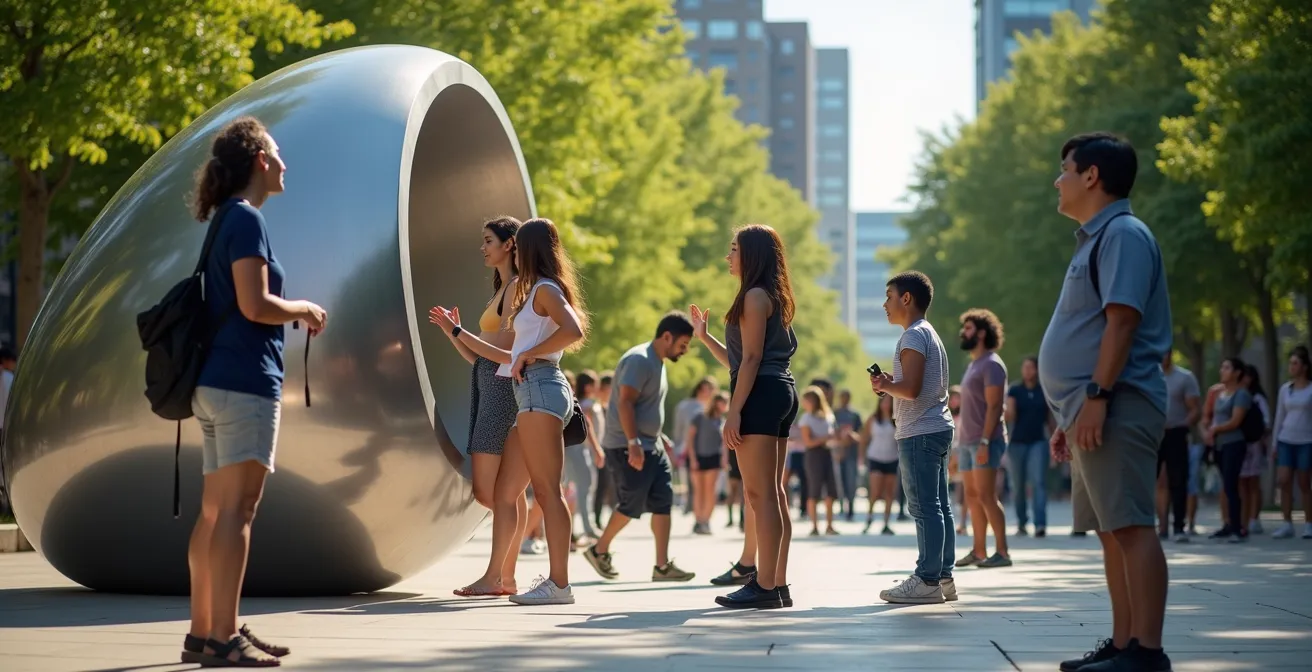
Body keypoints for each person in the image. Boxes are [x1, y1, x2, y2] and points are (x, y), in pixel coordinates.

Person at [184, 117, 327, 667]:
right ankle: (222, 638)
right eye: (278, 154)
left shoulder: (225, 220)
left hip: (215, 381)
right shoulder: (247, 221)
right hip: (245, 382)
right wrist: (304, 309)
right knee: (238, 512)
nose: (286, 164)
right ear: (260, 162)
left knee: (214, 512)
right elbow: (255, 304)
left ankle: (202, 632)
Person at [1042, 132, 1173, 672]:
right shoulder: (1097, 239)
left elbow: (1122, 323)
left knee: (1133, 526)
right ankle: (1122, 645)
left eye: (1065, 169)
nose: (1058, 179)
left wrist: (1095, 395)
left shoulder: (1123, 234)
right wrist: (1068, 413)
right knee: (1110, 530)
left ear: (1091, 175)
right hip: (1089, 412)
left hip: (1116, 405)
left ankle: (1147, 651)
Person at [431, 217, 588, 605]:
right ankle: (502, 577)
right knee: (506, 493)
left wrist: (527, 355)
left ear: (523, 247)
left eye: (513, 245)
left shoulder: (543, 288)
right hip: (529, 393)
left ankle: (559, 585)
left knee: (548, 491)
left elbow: (573, 332)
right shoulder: (535, 290)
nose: (508, 250)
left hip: (540, 387)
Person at [690, 223, 799, 609]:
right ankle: (777, 584)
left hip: (761, 394)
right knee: (773, 494)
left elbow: (751, 360)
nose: (728, 256)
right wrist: (705, 339)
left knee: (760, 495)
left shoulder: (754, 296)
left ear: (751, 255)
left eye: (734, 249)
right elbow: (740, 360)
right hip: (778, 391)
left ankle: (765, 586)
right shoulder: (768, 295)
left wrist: (733, 412)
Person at [433, 216, 529, 598]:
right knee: (508, 494)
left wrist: (460, 332)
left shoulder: (518, 287)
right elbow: (483, 359)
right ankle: (504, 577)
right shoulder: (502, 287)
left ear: (509, 245)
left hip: (502, 393)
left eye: (489, 240)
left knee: (489, 493)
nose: (483, 247)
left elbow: (505, 354)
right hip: (488, 385)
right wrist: (453, 334)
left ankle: (498, 575)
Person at [582, 313, 697, 583]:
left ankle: (662, 566)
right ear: (666, 336)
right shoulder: (640, 360)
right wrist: (633, 442)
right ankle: (599, 550)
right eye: (683, 343)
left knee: (663, 502)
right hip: (627, 445)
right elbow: (625, 403)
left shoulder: (659, 361)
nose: (685, 349)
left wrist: (659, 436)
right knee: (631, 504)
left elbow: (647, 406)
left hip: (651, 444)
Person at [871, 271, 957, 605]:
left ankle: (927, 579)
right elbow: (916, 384)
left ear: (906, 298)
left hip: (920, 430)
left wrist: (885, 386)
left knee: (924, 507)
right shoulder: (927, 334)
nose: (885, 304)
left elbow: (911, 389)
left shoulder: (912, 336)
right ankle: (943, 576)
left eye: (889, 296)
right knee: (940, 506)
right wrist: (893, 382)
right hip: (936, 425)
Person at [954, 309, 1012, 569]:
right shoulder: (974, 364)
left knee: (987, 496)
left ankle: (1002, 552)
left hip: (985, 441)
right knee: (972, 496)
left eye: (967, 329)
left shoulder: (992, 364)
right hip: (967, 441)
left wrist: (986, 442)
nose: (962, 333)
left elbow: (994, 407)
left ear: (981, 332)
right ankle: (979, 550)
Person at [1206, 358, 1253, 543]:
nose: (1222, 370)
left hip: (1234, 444)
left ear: (1237, 373)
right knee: (1225, 485)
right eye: (1222, 366)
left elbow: (1235, 421)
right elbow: (1212, 417)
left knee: (1232, 486)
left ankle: (1237, 528)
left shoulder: (1241, 395)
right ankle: (1227, 524)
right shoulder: (1219, 394)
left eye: (1227, 367)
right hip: (1220, 445)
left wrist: (1216, 429)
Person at [1157, 350, 1200, 543]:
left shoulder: (1185, 377)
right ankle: (1161, 525)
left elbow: (1195, 409)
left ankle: (1179, 527)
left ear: (1170, 354)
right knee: (1155, 479)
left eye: (1165, 353)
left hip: (1176, 433)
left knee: (1178, 480)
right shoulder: (1149, 375)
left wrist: (1183, 423)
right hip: (1153, 433)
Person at [1007, 356, 1052, 538]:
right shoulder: (1015, 390)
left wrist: (1058, 439)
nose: (1027, 371)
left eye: (1031, 368)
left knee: (1038, 482)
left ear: (1037, 370)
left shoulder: (1044, 391)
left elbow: (1050, 419)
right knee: (1018, 485)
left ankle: (1040, 523)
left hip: (1038, 442)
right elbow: (1010, 414)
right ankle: (1021, 522)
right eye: (1025, 367)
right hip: (1017, 443)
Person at [1272, 345, 1312, 539]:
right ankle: (1286, 523)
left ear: (1304, 367)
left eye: (1295, 363)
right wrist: (1274, 444)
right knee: (1284, 481)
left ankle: (1309, 523)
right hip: (1285, 440)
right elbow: (1279, 417)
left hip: (1306, 440)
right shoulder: (1285, 390)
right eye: (1290, 363)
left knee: (1304, 483)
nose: (1292, 367)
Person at [566, 370, 606, 545]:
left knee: (573, 488)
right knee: (585, 487)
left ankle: (574, 530)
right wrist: (597, 450)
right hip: (580, 449)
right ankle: (587, 528)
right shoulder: (587, 405)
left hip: (576, 450)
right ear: (589, 386)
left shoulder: (575, 403)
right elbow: (588, 427)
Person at [674, 378, 719, 518]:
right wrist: (677, 450)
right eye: (704, 388)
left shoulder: (717, 407)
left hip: (711, 452)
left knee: (709, 488)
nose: (707, 392)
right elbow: (679, 430)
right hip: (689, 450)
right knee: (694, 486)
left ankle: (704, 518)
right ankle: (696, 515)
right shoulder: (685, 407)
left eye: (710, 389)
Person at [799, 385, 839, 536]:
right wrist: (824, 439)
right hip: (813, 455)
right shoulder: (806, 418)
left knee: (831, 491)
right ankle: (814, 526)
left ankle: (829, 525)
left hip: (828, 453)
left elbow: (833, 436)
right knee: (814, 490)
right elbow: (808, 441)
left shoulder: (829, 416)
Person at [688, 392, 730, 534]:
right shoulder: (699, 417)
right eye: (722, 402)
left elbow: (724, 444)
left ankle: (706, 521)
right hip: (698, 457)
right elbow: (690, 439)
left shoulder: (722, 421)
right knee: (698, 490)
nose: (724, 405)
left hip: (714, 458)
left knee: (710, 490)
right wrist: (692, 458)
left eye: (726, 403)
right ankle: (698, 520)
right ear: (715, 402)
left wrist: (724, 460)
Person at [861, 394, 899, 535]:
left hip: (892, 458)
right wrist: (861, 458)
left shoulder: (896, 420)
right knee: (875, 492)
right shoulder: (873, 419)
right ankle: (869, 518)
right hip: (875, 458)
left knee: (889, 493)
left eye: (889, 401)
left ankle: (886, 523)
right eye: (884, 401)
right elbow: (864, 438)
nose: (886, 404)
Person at [1238, 364, 1270, 536]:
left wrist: (1261, 438)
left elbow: (1266, 422)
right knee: (1242, 482)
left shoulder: (1258, 398)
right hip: (1241, 444)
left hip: (1255, 444)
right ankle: (1243, 519)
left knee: (1254, 482)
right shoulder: (1238, 396)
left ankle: (1254, 519)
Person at [833, 390, 864, 521]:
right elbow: (832, 433)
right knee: (839, 481)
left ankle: (850, 507)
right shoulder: (835, 414)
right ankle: (841, 505)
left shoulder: (855, 415)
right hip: (838, 452)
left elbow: (862, 436)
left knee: (851, 481)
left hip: (852, 453)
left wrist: (852, 436)